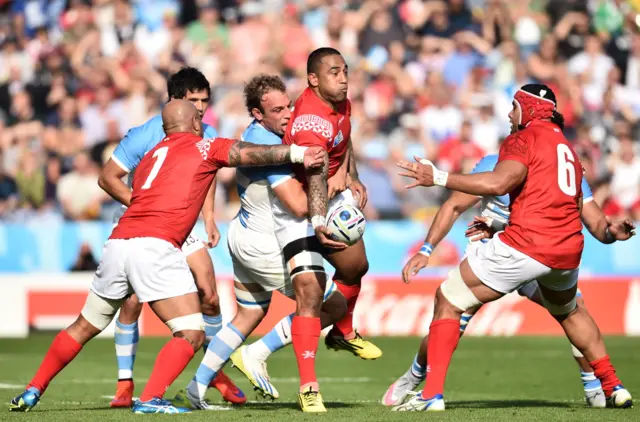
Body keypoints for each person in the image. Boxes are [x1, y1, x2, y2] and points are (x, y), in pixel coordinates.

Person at [8, 99, 326, 414]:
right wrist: (297, 152)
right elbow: (249, 153)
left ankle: (33, 388)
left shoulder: (150, 157)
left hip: (119, 241)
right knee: (190, 332)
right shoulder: (203, 146)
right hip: (155, 245)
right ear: (194, 124)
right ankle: (150, 399)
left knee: (84, 325)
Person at [393, 84, 633, 411]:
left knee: (448, 300)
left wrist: (437, 176)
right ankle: (612, 385)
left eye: (514, 107)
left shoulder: (520, 141)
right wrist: (611, 232)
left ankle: (430, 393)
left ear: (527, 110)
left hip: (521, 247)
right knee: (571, 311)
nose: (509, 114)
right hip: (563, 250)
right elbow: (595, 225)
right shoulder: (569, 154)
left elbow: (498, 184)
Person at [172, 74, 349, 409]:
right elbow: (298, 205)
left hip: (244, 237)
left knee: (247, 316)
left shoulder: (267, 136)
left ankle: (196, 388)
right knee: (332, 304)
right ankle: (257, 352)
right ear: (257, 113)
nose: (287, 114)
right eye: (277, 110)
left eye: (289, 106)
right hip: (264, 245)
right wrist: (335, 188)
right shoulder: (265, 146)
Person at [97, 67, 244, 407]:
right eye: (194, 100)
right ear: (176, 102)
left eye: (205, 100)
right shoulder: (146, 133)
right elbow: (109, 177)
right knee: (132, 301)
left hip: (185, 223)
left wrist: (208, 217)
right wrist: (142, 205)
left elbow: (205, 175)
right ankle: (124, 383)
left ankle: (213, 372)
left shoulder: (206, 131)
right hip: (144, 223)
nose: (202, 107)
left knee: (209, 292)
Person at [273, 47, 380, 413]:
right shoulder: (310, 121)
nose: (344, 77)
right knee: (311, 292)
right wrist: (318, 221)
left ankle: (342, 330)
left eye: (346, 70)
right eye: (335, 72)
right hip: (297, 205)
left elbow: (344, 141)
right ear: (313, 79)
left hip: (329, 195)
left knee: (356, 266)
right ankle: (308, 387)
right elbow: (315, 173)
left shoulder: (341, 103)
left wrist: (351, 175)